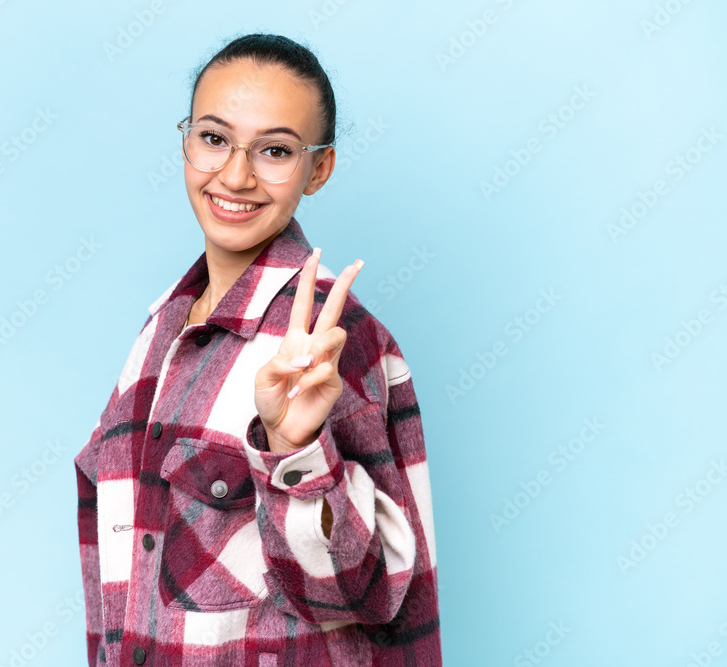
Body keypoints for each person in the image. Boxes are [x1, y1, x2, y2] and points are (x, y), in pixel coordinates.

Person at [74, 33, 442, 666]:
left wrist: (294, 450)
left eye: (275, 150)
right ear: (186, 141)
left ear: (318, 169)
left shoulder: (332, 341)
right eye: (214, 138)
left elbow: (373, 595)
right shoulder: (163, 328)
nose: (236, 175)